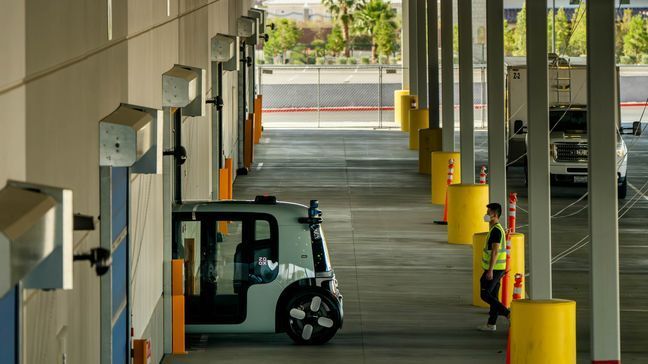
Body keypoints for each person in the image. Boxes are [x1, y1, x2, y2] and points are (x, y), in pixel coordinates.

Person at [477, 203, 510, 332]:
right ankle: (491, 324)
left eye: (488, 212)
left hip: (495, 268)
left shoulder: (496, 230)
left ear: (495, 215)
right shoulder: (496, 228)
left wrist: (490, 270)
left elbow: (495, 251)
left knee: (485, 294)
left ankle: (507, 313)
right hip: (498, 267)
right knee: (494, 296)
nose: (486, 214)